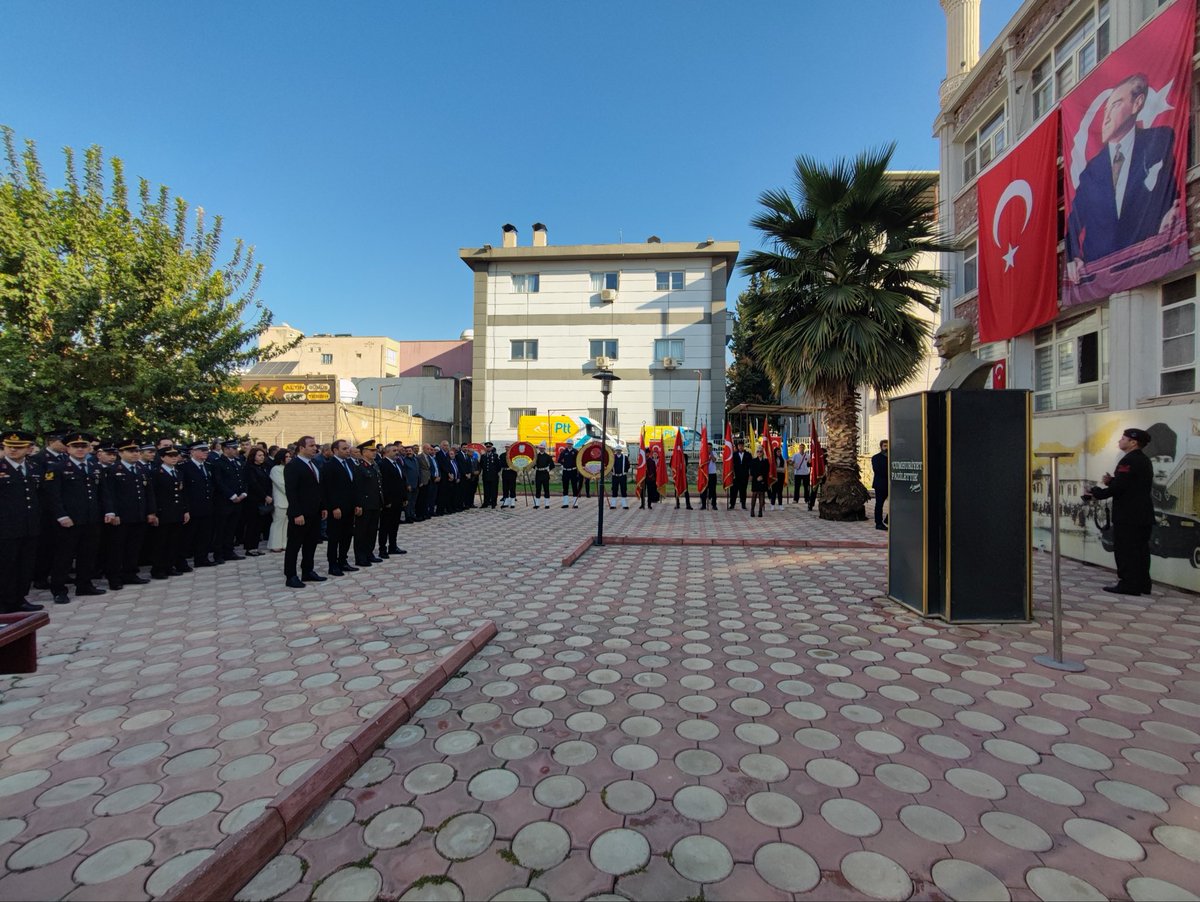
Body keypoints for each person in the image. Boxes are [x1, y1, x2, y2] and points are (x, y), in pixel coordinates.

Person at [1066, 73, 1179, 280]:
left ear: (1137, 104)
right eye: (1106, 109)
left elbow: (1172, 184)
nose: (1106, 117)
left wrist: (1173, 207)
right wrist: (1072, 255)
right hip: (1101, 271)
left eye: (1116, 105)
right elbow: (1074, 219)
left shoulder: (1159, 140)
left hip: (1149, 255)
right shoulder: (1091, 171)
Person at [1082, 427, 1155, 596]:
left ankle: (1128, 584)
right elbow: (1131, 484)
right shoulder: (1144, 460)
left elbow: (1121, 488)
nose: (1120, 441)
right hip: (1143, 514)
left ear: (1133, 442)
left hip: (1129, 515)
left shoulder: (1128, 461)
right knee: (1141, 551)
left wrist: (1096, 492)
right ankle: (1143, 584)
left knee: (1126, 550)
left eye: (1123, 439)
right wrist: (1112, 481)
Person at [41, 431, 107, 605]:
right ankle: (59, 589)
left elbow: (102, 493)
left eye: (83, 446)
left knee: (88, 553)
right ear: (67, 448)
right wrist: (61, 515)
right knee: (64, 556)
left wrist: (107, 512)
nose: (80, 449)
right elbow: (52, 496)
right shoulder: (57, 467)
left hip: (91, 518)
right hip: (69, 520)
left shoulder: (95, 467)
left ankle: (84, 584)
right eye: (75, 446)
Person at [1, 430, 47, 612]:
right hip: (6, 527)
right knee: (7, 566)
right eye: (9, 447)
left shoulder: (34, 467)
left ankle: (20, 598)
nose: (13, 450)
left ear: (27, 449)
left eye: (18, 447)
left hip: (30, 525)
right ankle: (4, 602)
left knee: (25, 565)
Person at [102, 438, 157, 589]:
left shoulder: (141, 469)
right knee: (116, 549)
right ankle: (114, 577)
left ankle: (130, 573)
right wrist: (113, 513)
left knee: (134, 547)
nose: (135, 454)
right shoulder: (112, 470)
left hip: (139, 515)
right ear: (121, 453)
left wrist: (151, 512)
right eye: (130, 451)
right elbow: (109, 495)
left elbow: (148, 493)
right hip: (121, 517)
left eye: (137, 451)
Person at [283, 435, 326, 588]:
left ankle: (307, 570)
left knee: (311, 543)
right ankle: (291, 575)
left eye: (316, 445)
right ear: (301, 448)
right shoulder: (293, 466)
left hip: (314, 512)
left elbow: (317, 489)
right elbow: (291, 492)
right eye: (311, 446)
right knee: (294, 545)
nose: (315, 448)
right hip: (300, 513)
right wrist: (296, 513)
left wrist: (322, 508)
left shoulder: (313, 464)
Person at [150, 446, 190, 579]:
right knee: (161, 543)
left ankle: (169, 566)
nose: (174, 458)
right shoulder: (156, 473)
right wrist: (153, 512)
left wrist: (185, 510)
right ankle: (158, 569)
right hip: (163, 513)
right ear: (162, 457)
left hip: (177, 512)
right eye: (170, 456)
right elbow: (153, 495)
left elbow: (182, 493)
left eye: (175, 455)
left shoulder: (178, 472)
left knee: (174, 542)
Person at [322, 439, 358, 575]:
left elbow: (353, 486)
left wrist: (356, 504)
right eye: (344, 449)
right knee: (334, 537)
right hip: (337, 508)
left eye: (348, 448)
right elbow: (328, 489)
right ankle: (333, 564)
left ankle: (343, 560)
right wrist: (334, 507)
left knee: (347, 535)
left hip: (349, 507)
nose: (347, 451)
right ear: (335, 450)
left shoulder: (349, 463)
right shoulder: (329, 465)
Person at [930, 319, 993, 391]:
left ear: (962, 337)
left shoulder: (976, 367)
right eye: (936, 339)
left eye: (942, 338)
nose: (936, 344)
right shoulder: (944, 369)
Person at [212, 438, 248, 562]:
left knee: (231, 528)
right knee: (221, 528)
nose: (235, 450)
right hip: (225, 501)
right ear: (226, 449)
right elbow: (219, 482)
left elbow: (243, 479)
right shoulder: (218, 463)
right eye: (233, 448)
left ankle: (229, 551)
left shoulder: (237, 462)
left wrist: (243, 493)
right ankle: (218, 554)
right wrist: (232, 496)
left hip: (239, 500)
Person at [352, 439, 384, 566]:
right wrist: (358, 504)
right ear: (364, 452)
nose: (374, 452)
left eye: (375, 450)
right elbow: (357, 488)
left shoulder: (373, 465)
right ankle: (360, 557)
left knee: (372, 530)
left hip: (375, 503)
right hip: (364, 505)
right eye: (372, 450)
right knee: (361, 532)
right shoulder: (359, 467)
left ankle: (369, 553)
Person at [377, 442, 407, 556]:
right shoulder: (383, 464)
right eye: (394, 451)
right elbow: (384, 485)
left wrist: (404, 497)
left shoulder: (397, 463)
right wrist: (387, 501)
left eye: (396, 450)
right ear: (386, 452)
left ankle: (393, 546)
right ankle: (382, 549)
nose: (396, 452)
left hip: (398, 499)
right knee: (385, 525)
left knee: (395, 524)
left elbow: (401, 481)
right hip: (389, 501)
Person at [241, 446, 272, 556]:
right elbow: (254, 484)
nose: (262, 457)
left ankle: (255, 546)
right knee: (252, 524)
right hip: (253, 500)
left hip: (262, 499)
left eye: (263, 455)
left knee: (259, 524)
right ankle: (249, 548)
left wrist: (268, 494)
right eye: (259, 455)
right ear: (253, 456)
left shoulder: (263, 467)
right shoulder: (249, 468)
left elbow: (267, 482)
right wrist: (264, 496)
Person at [268, 448, 290, 552]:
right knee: (278, 523)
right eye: (286, 457)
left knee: (286, 523)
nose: (289, 458)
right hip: (280, 500)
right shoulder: (276, 469)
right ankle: (275, 544)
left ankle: (284, 543)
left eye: (290, 456)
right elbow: (281, 484)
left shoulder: (288, 468)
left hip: (288, 501)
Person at [871, 439, 889, 531]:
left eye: (888, 446)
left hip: (892, 485)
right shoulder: (876, 458)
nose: (886, 448)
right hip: (881, 485)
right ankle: (878, 523)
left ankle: (888, 519)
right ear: (881, 447)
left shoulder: (892, 457)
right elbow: (878, 471)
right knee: (879, 504)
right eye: (885, 446)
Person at [729, 439, 751, 510]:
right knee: (733, 491)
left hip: (744, 476)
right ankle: (732, 504)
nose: (740, 447)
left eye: (742, 446)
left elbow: (751, 465)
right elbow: (730, 465)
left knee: (743, 491)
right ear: (737, 446)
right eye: (739, 446)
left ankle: (743, 504)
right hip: (736, 475)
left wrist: (750, 474)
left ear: (743, 446)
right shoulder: (734, 454)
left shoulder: (748, 454)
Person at [479, 442, 502, 509]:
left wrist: (494, 472)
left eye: (489, 447)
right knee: (486, 490)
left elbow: (498, 466)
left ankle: (493, 503)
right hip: (486, 476)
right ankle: (486, 503)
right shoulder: (483, 456)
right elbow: (481, 465)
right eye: (487, 447)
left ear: (491, 448)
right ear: (485, 448)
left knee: (494, 490)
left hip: (493, 476)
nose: (488, 448)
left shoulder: (495, 456)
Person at [749, 446, 770, 517]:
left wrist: (762, 477)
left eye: (760, 451)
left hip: (763, 480)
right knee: (754, 495)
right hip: (755, 480)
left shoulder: (766, 461)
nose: (759, 453)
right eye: (758, 451)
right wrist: (756, 477)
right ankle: (752, 510)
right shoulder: (753, 460)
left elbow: (767, 470)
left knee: (761, 495)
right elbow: (752, 470)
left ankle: (760, 510)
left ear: (763, 452)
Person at [558, 443, 581, 508]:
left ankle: (575, 503)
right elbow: (559, 460)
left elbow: (578, 460)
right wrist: (564, 463)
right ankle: (565, 503)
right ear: (566, 445)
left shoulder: (575, 451)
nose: (569, 445)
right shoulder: (564, 452)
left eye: (570, 444)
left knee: (574, 487)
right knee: (565, 487)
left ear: (572, 444)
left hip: (573, 471)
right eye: (568, 444)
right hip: (565, 471)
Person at [533, 442, 553, 509]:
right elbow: (533, 463)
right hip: (538, 473)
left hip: (545, 474)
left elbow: (552, 465)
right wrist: (534, 467)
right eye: (540, 448)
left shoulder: (548, 456)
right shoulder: (536, 456)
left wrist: (548, 469)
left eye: (542, 448)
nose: (541, 449)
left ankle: (547, 504)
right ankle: (537, 504)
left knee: (546, 489)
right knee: (538, 489)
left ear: (544, 448)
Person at [609, 445, 630, 509]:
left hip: (622, 476)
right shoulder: (612, 457)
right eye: (617, 450)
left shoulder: (625, 457)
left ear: (621, 451)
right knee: (614, 489)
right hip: (615, 476)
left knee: (623, 489)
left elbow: (628, 465)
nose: (618, 451)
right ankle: (613, 505)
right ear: (615, 451)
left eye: (619, 450)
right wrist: (612, 471)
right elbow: (609, 465)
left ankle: (625, 505)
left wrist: (625, 471)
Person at [792, 442, 812, 507]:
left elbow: (809, 464)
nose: (801, 449)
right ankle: (796, 499)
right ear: (799, 448)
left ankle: (807, 499)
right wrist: (793, 465)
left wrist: (810, 463)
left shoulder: (807, 455)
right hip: (798, 473)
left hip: (806, 473)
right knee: (797, 487)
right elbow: (792, 462)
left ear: (804, 448)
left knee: (806, 487)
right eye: (800, 447)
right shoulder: (795, 455)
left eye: (803, 447)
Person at [700, 442, 718, 511]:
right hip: (705, 474)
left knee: (713, 490)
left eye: (710, 447)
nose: (709, 449)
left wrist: (711, 453)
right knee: (703, 490)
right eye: (708, 447)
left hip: (712, 474)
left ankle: (714, 505)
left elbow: (714, 460)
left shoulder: (714, 453)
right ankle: (703, 505)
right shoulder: (703, 454)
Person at [768, 442, 786, 511]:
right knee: (774, 491)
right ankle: (772, 505)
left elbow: (784, 469)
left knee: (780, 491)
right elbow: (773, 468)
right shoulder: (773, 460)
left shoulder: (783, 459)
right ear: (775, 452)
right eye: (778, 451)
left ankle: (780, 505)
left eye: (780, 451)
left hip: (781, 476)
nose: (779, 453)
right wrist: (777, 469)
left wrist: (777, 469)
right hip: (774, 477)